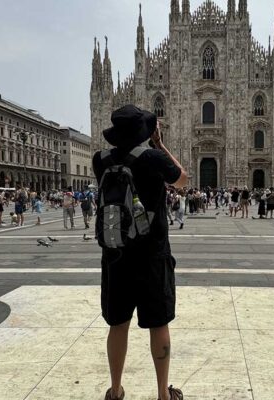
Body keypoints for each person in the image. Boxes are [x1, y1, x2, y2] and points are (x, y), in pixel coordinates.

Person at [93, 105, 187, 400]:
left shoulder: (100, 160)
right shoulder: (153, 157)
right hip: (152, 254)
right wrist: (159, 144)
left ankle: (116, 389)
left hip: (116, 254)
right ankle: (163, 394)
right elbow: (182, 179)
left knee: (118, 324)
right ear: (144, 132)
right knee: (158, 323)